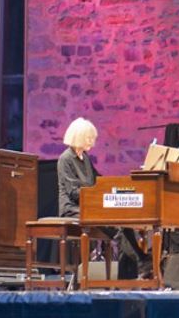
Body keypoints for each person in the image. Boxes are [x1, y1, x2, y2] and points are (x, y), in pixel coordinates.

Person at [57, 118, 149, 278]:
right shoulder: (65, 159)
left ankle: (134, 268)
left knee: (123, 222)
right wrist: (98, 196)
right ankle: (137, 265)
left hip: (89, 205)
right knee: (114, 227)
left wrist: (117, 190)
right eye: (89, 138)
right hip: (72, 209)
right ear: (78, 137)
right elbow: (73, 191)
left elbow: (99, 180)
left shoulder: (84, 158)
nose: (92, 142)